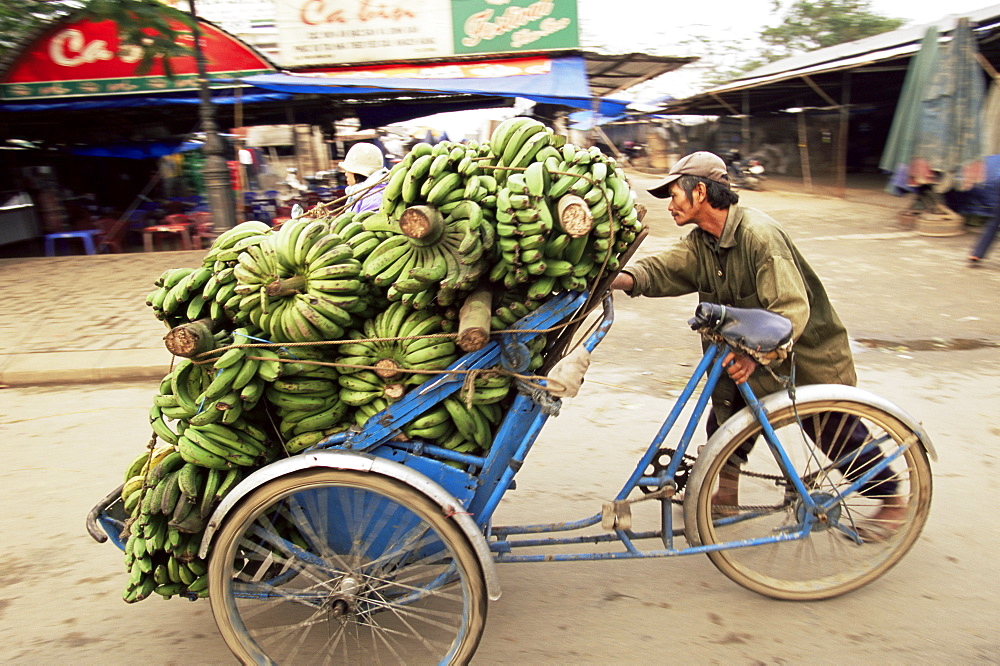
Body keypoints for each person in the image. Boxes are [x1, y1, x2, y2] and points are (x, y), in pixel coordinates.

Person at [610, 151, 906, 538]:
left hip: (804, 356)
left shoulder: (759, 237)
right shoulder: (703, 242)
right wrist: (615, 279)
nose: (670, 205)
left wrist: (754, 355)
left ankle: (892, 501)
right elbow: (663, 268)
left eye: (674, 195)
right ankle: (726, 493)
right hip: (748, 357)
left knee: (834, 430)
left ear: (699, 192)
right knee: (725, 412)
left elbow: (789, 311)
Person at [341, 142, 389, 214]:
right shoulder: (363, 192)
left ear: (358, 173)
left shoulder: (373, 197)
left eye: (349, 170)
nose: (346, 174)